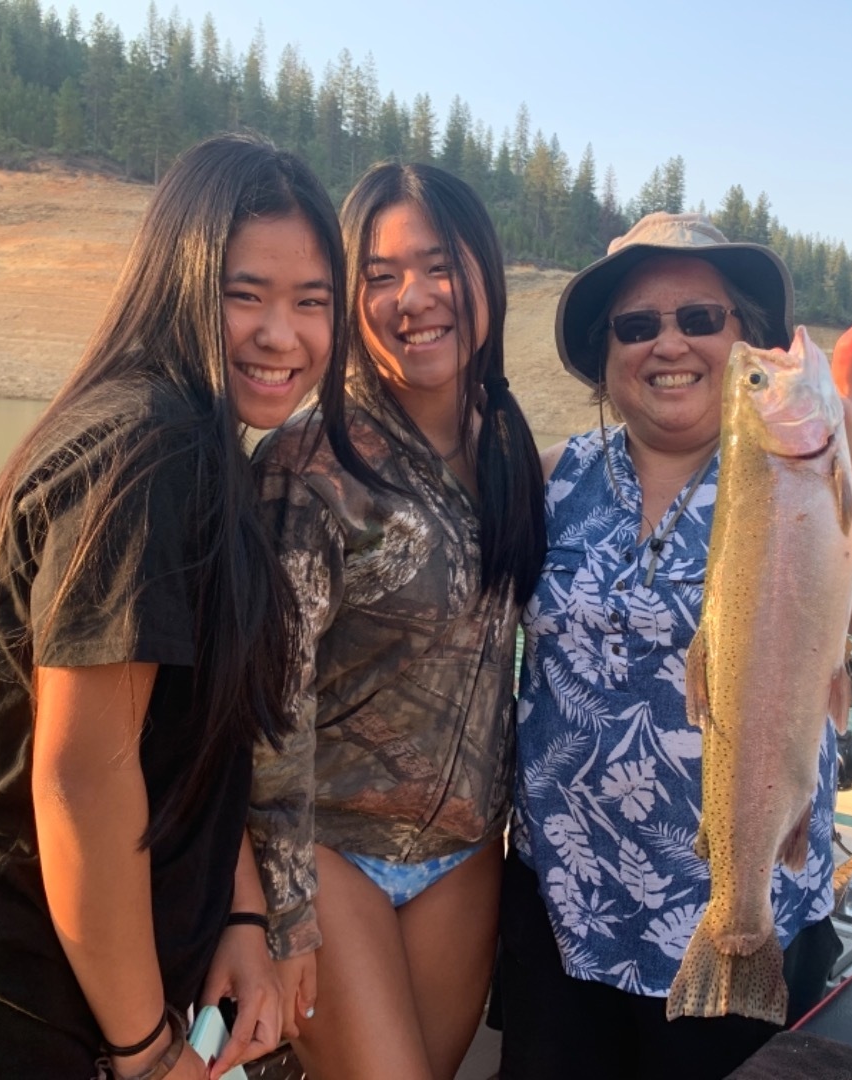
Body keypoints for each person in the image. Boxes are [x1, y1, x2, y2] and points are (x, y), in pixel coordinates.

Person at [0, 132, 349, 1080]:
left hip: (96, 983)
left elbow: (193, 746)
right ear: (180, 279)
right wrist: (147, 1051)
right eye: (244, 294)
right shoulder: (147, 449)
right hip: (5, 992)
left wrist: (241, 911)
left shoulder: (209, 449)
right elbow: (84, 778)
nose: (281, 334)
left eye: (310, 303)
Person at [496, 213, 852, 1080]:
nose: (669, 343)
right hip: (564, 915)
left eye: (701, 318)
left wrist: (851, 461)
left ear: (741, 342)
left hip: (739, 910)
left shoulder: (791, 474)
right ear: (606, 351)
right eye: (637, 325)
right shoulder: (548, 478)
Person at [246, 162, 545, 1080]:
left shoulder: (509, 444)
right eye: (379, 276)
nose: (412, 297)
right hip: (332, 846)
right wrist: (283, 918)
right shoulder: (315, 462)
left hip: (463, 856)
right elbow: (268, 711)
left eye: (438, 264)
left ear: (483, 274)